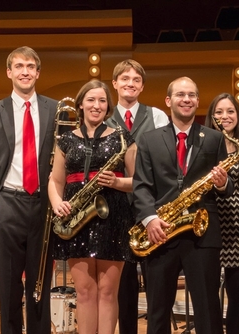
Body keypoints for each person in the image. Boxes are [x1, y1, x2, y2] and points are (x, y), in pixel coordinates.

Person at [133, 77, 232, 334]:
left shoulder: (214, 138)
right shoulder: (149, 140)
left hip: (202, 234)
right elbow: (141, 185)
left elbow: (226, 187)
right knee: (158, 310)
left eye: (191, 95)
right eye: (180, 95)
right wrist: (150, 219)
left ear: (198, 101)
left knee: (208, 308)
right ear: (168, 101)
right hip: (160, 231)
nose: (186, 99)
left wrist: (222, 184)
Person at [0, 46, 57, 334]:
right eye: (19, 66)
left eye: (31, 66)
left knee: (39, 285)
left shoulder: (55, 109)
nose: (25, 71)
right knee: (9, 288)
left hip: (44, 206)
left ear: (37, 72)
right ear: (9, 72)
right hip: (6, 205)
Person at [49, 80, 137, 334]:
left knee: (108, 292)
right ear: (80, 104)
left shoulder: (122, 137)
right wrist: (57, 203)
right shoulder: (65, 140)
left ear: (108, 106)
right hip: (76, 215)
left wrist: (118, 182)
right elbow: (55, 180)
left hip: (114, 214)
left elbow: (140, 181)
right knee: (85, 291)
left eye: (101, 100)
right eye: (91, 100)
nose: (96, 105)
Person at [105, 59, 169, 333]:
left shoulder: (158, 116)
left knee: (157, 281)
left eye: (136, 80)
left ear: (142, 86)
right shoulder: (103, 118)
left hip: (152, 208)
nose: (130, 83)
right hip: (116, 210)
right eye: (125, 78)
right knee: (124, 286)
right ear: (115, 83)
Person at [204, 93, 239, 334]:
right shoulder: (202, 145)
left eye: (230, 111)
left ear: (237, 116)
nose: (225, 117)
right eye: (219, 112)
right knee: (208, 294)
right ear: (211, 118)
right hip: (210, 225)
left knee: (238, 294)